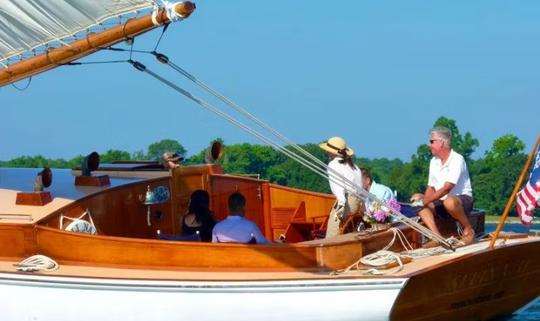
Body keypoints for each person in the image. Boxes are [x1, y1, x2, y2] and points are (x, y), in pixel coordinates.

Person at [410, 126, 475, 245]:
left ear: (442, 142)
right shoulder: (433, 162)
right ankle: (437, 237)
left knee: (449, 201)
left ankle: (468, 230)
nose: (429, 145)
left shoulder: (457, 159)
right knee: (416, 198)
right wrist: (424, 201)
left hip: (460, 202)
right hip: (442, 202)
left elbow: (447, 188)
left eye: (431, 141)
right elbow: (431, 187)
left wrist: (426, 201)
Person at [319, 136, 363, 239]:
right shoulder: (354, 166)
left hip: (346, 203)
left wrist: (338, 212)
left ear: (332, 152)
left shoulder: (333, 165)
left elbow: (339, 190)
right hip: (357, 204)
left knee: (332, 234)